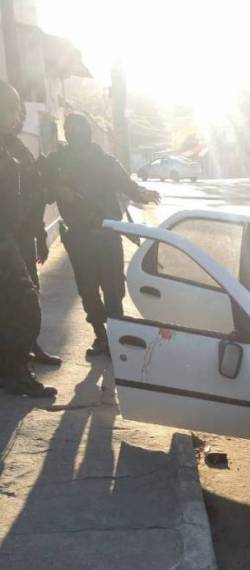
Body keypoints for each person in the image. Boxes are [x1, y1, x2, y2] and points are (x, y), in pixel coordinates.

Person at [44, 113, 160, 356]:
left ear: (88, 132)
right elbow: (45, 191)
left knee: (113, 287)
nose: (73, 134)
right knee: (87, 289)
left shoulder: (106, 162)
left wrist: (143, 192)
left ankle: (116, 336)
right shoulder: (58, 162)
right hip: (79, 238)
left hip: (107, 235)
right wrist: (57, 188)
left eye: (78, 129)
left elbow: (128, 186)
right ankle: (101, 336)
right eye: (69, 129)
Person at [0, 80, 56, 398]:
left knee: (12, 306)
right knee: (24, 304)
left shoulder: (10, 145)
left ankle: (11, 370)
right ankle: (16, 372)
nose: (18, 114)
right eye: (12, 108)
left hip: (11, 235)